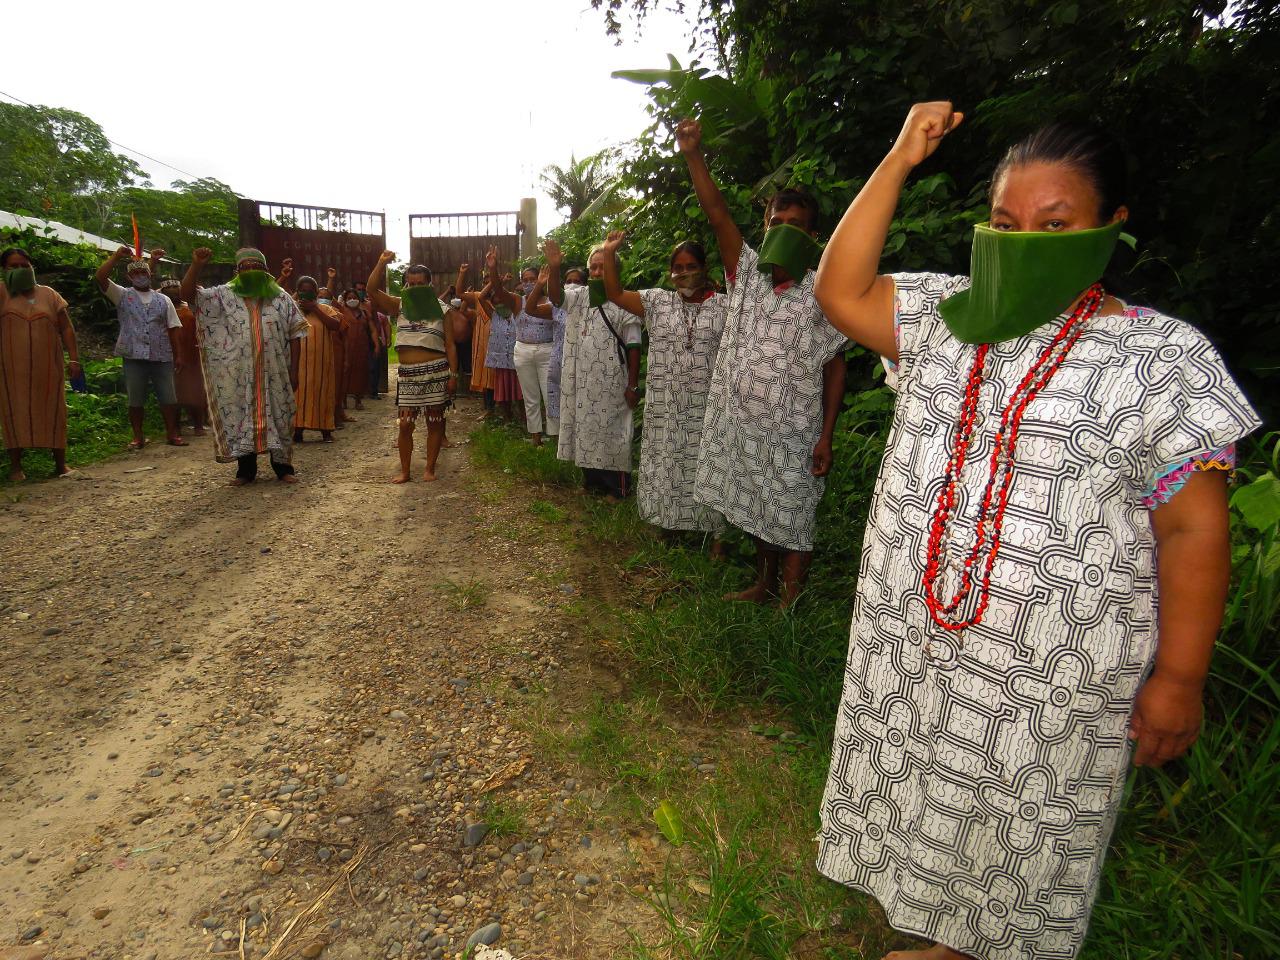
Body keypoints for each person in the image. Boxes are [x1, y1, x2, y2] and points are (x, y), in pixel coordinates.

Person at [811, 103, 1261, 960]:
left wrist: (1180, 675)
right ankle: (947, 945)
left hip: (1052, 676)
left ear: (1111, 228)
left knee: (1023, 828)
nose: (1026, 242)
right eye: (1008, 224)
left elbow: (1191, 533)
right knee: (931, 800)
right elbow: (840, 290)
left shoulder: (1162, 359)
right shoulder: (949, 316)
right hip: (921, 647)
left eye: (1056, 225)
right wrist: (900, 157)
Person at [677, 118, 848, 605]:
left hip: (797, 430)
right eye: (777, 223)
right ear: (765, 226)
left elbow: (835, 365)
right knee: (757, 506)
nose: (784, 232)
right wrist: (694, 154)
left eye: (796, 226)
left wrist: (827, 433)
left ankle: (789, 608)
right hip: (746, 426)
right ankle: (764, 584)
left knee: (793, 512)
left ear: (814, 235)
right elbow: (716, 214)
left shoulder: (824, 292)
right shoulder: (746, 273)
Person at [600, 230, 728, 547]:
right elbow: (614, 293)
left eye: (690, 266)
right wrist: (608, 254)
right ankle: (669, 526)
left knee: (705, 463)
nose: (684, 273)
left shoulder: (725, 306)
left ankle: (714, 535)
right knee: (668, 461)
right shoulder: (658, 302)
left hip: (707, 405)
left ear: (704, 268)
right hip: (665, 406)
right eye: (678, 267)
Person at [179, 247, 305, 485]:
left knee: (280, 413)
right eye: (245, 267)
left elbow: (296, 333)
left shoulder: (280, 297)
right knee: (241, 413)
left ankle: (283, 466)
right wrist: (197, 264)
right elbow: (189, 295)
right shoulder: (223, 296)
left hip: (275, 371)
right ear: (237, 271)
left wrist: (295, 370)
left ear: (266, 271)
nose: (250, 271)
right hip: (238, 372)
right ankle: (246, 470)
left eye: (256, 267)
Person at [544, 238, 642, 499]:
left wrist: (633, 385)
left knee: (614, 432)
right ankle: (593, 484)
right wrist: (554, 268)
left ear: (615, 269)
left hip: (613, 382)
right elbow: (555, 297)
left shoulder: (626, 302)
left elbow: (634, 346)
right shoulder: (579, 297)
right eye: (594, 268)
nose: (598, 272)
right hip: (582, 382)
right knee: (586, 431)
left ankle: (617, 489)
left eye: (603, 267)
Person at [366, 251, 460, 483]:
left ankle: (429, 468)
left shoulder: (443, 309)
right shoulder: (400, 304)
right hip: (407, 374)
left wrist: (453, 375)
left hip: (436, 369)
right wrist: (381, 263)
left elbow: (450, 344)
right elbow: (371, 290)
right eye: (412, 282)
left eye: (421, 283)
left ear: (430, 284)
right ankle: (406, 471)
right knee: (406, 424)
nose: (416, 286)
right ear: (407, 283)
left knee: (435, 421)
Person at [0, 247, 81, 481]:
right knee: (14, 413)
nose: (20, 270)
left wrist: (73, 358)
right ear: (4, 270)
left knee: (54, 410)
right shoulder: (2, 293)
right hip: (12, 370)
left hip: (48, 368)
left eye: (25, 265)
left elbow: (66, 327)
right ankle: (16, 467)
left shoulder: (49, 294)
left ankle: (60, 465)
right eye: (13, 266)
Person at [95, 245, 187, 449]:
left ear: (150, 274)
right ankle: (138, 436)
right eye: (135, 273)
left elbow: (174, 327)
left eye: (143, 272)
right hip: (133, 354)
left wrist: (179, 355)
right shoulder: (122, 295)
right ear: (129, 277)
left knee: (168, 396)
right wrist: (115, 257)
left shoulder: (163, 299)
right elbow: (101, 278)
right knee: (135, 398)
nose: (139, 276)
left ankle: (172, 433)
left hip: (162, 354)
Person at [499, 262, 559, 446]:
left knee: (551, 395)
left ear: (542, 279)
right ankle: (536, 438)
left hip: (547, 350)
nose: (529, 283)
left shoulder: (552, 301)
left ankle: (556, 439)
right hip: (523, 350)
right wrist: (493, 269)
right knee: (530, 396)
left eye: (532, 279)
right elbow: (497, 290)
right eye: (525, 280)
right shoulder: (518, 301)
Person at [291, 276, 342, 443]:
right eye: (302, 291)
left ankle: (326, 431)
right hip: (298, 364)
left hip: (321, 364)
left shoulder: (325, 309)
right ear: (297, 292)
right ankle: (297, 430)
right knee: (298, 395)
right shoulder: (291, 309)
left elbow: (336, 326)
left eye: (310, 291)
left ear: (315, 293)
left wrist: (315, 308)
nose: (306, 294)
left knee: (323, 394)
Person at [160, 277, 207, 435]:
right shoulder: (162, 308)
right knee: (174, 392)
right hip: (170, 355)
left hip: (193, 355)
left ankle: (198, 425)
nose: (174, 294)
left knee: (195, 390)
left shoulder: (191, 308)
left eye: (176, 290)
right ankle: (175, 426)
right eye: (169, 291)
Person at [482, 250, 523, 422]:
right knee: (503, 392)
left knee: (520, 393)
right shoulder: (493, 314)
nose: (499, 302)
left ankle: (524, 420)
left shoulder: (517, 312)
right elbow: (482, 297)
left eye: (501, 299)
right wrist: (495, 280)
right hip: (500, 361)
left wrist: (500, 283)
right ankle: (507, 420)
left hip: (517, 361)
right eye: (496, 300)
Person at [338, 287, 374, 409]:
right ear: (344, 299)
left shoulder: (364, 313)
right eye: (349, 298)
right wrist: (331, 279)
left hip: (362, 348)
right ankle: (343, 401)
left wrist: (377, 344)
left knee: (361, 373)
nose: (352, 300)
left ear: (359, 300)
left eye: (354, 298)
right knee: (345, 373)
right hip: (346, 347)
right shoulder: (341, 311)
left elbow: (372, 329)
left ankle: (358, 400)